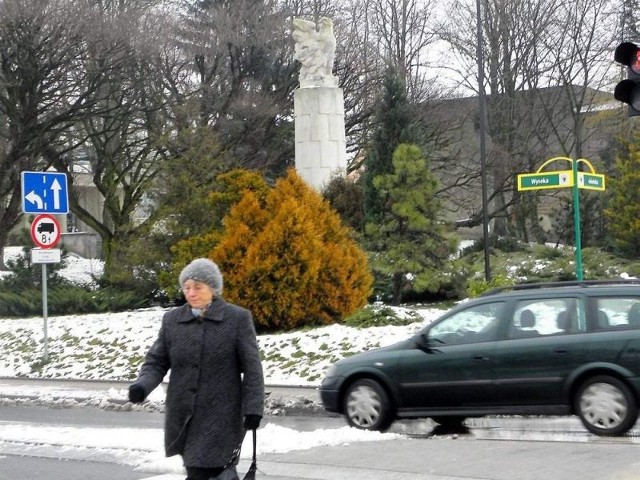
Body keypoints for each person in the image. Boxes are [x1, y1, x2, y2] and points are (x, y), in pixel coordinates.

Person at [128, 258, 265, 480]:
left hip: (222, 415)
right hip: (185, 417)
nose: (191, 293)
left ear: (213, 288)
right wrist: (142, 386)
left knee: (205, 470)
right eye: (187, 287)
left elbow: (252, 368)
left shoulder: (237, 319)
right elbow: (157, 361)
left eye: (197, 287)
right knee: (205, 470)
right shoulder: (172, 320)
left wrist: (254, 408)